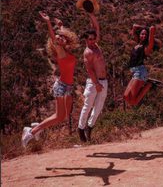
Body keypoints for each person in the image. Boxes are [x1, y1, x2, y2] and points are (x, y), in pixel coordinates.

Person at [21, 11, 79, 148]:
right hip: (61, 86)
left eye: (62, 38)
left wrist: (61, 26)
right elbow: (54, 38)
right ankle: (31, 131)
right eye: (58, 39)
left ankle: (37, 127)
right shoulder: (60, 50)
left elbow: (62, 36)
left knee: (63, 117)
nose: (59, 39)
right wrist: (48, 22)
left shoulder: (67, 49)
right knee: (59, 117)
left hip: (68, 87)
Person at [78, 13, 108, 142]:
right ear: (86, 39)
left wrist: (91, 14)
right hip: (93, 82)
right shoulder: (87, 52)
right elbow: (89, 69)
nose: (92, 40)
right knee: (88, 106)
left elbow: (97, 27)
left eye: (93, 38)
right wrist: (96, 83)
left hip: (104, 81)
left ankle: (89, 127)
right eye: (89, 39)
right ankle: (80, 128)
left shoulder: (97, 46)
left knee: (99, 107)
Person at [124, 24, 162, 106]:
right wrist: (144, 28)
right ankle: (149, 84)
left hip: (140, 72)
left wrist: (148, 30)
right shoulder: (137, 44)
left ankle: (149, 85)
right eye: (142, 34)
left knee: (133, 101)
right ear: (139, 35)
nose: (143, 36)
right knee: (126, 96)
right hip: (134, 72)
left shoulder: (146, 47)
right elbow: (134, 26)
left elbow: (152, 28)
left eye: (145, 34)